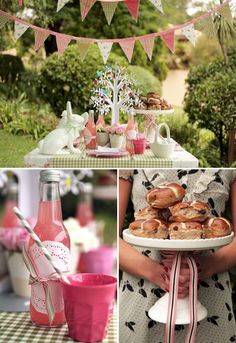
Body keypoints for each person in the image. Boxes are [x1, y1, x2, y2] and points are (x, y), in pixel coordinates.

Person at [119, 169, 236, 343]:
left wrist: (203, 268)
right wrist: (160, 274)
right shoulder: (128, 165)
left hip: (211, 294)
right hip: (142, 292)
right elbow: (107, 237)